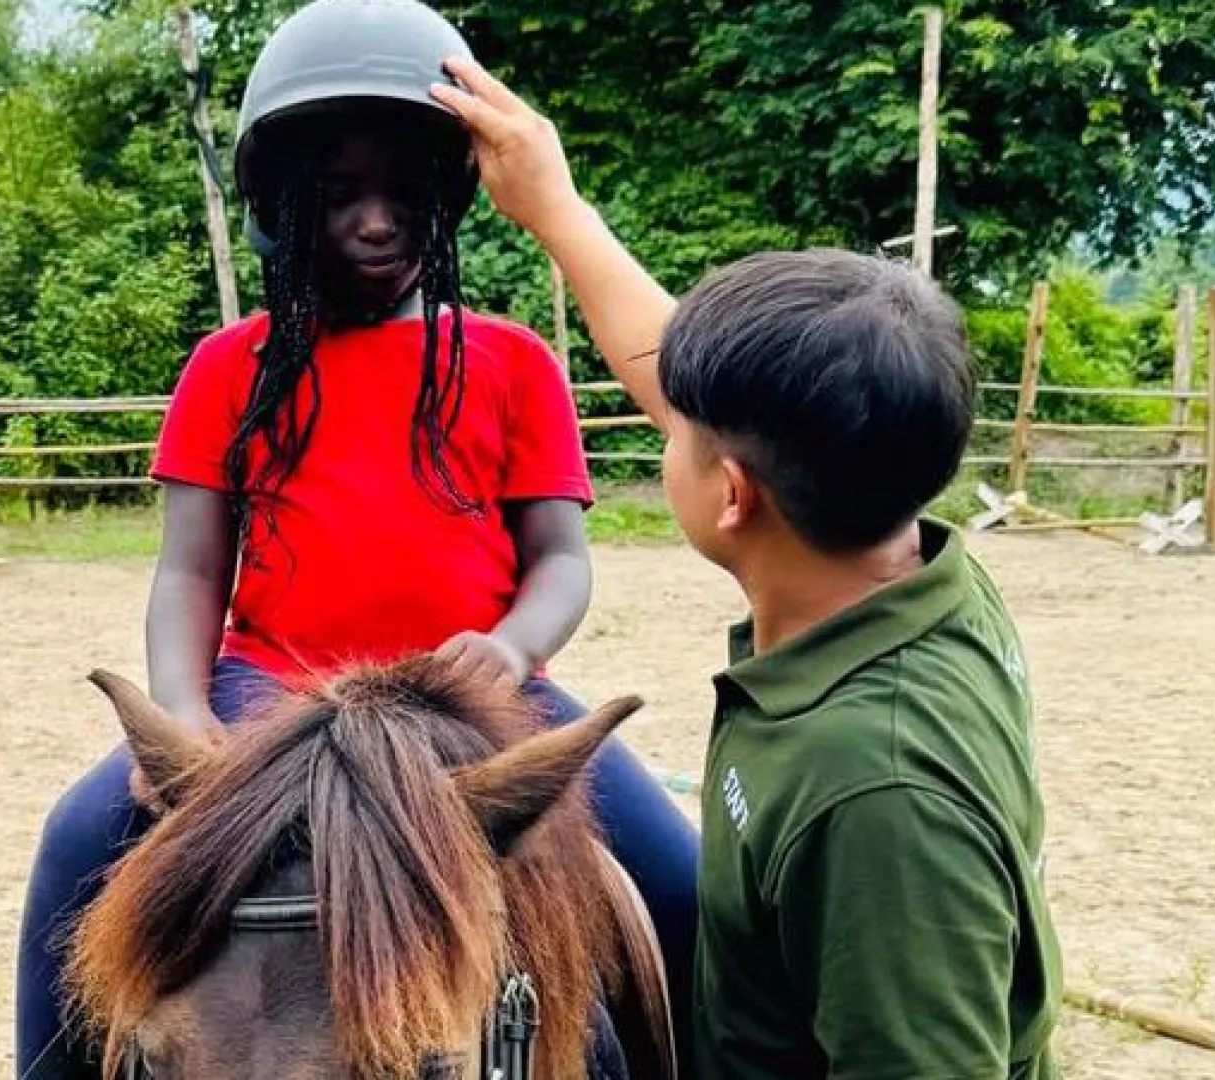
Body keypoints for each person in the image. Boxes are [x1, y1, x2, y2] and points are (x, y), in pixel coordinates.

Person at [13, 4, 700, 1077]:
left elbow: (562, 560)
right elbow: (189, 570)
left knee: (681, 881)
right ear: (286, 203)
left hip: (475, 701)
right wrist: (182, 705)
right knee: (76, 841)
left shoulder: (514, 363)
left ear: (446, 197)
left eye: (403, 193)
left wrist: (514, 646)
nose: (378, 222)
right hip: (266, 697)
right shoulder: (229, 370)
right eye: (340, 195)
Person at [432, 59, 1064, 1080]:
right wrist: (555, 210)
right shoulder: (918, 569)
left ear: (732, 493)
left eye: (677, 428)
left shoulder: (877, 795)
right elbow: (680, 367)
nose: (663, 422)